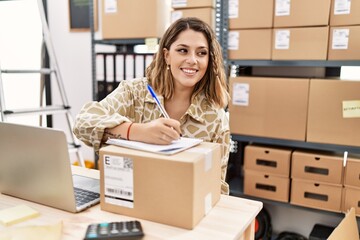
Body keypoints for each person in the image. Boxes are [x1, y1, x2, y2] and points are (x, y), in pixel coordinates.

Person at [73, 17, 231, 194]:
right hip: (128, 195)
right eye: (183, 50)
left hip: (180, 206)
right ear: (166, 55)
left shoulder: (215, 118)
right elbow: (83, 123)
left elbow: (218, 187)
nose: (193, 60)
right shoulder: (135, 92)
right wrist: (137, 132)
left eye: (201, 53)